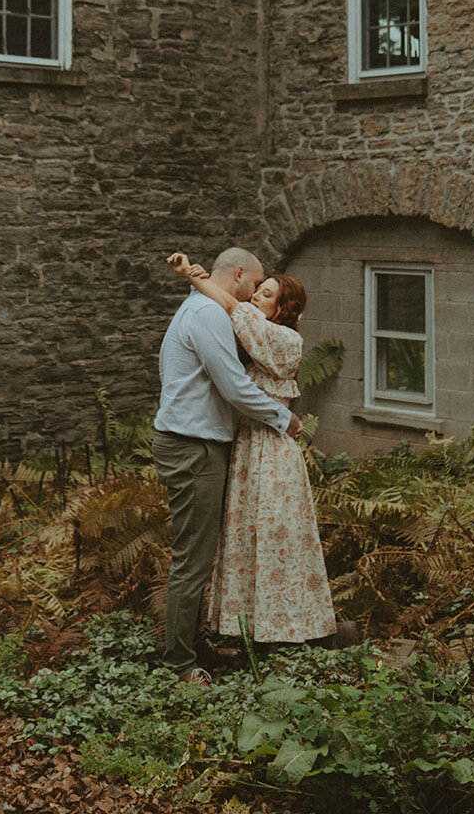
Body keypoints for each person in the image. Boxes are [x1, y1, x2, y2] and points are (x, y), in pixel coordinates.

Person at [168, 253, 337, 647]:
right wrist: (201, 278)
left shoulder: (284, 339)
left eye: (266, 294)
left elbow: (231, 306)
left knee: (278, 533)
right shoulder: (257, 334)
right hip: (248, 445)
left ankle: (291, 628)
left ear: (283, 308)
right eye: (257, 290)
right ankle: (246, 628)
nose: (256, 298)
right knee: (245, 535)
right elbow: (232, 312)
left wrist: (193, 277)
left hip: (272, 448)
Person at [152, 246, 303, 685]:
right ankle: (180, 663)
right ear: (239, 274)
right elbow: (234, 387)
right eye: (256, 285)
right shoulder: (208, 315)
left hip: (195, 443)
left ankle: (195, 644)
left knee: (201, 554)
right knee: (193, 559)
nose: (255, 293)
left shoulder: (199, 306)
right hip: (193, 446)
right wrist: (283, 417)